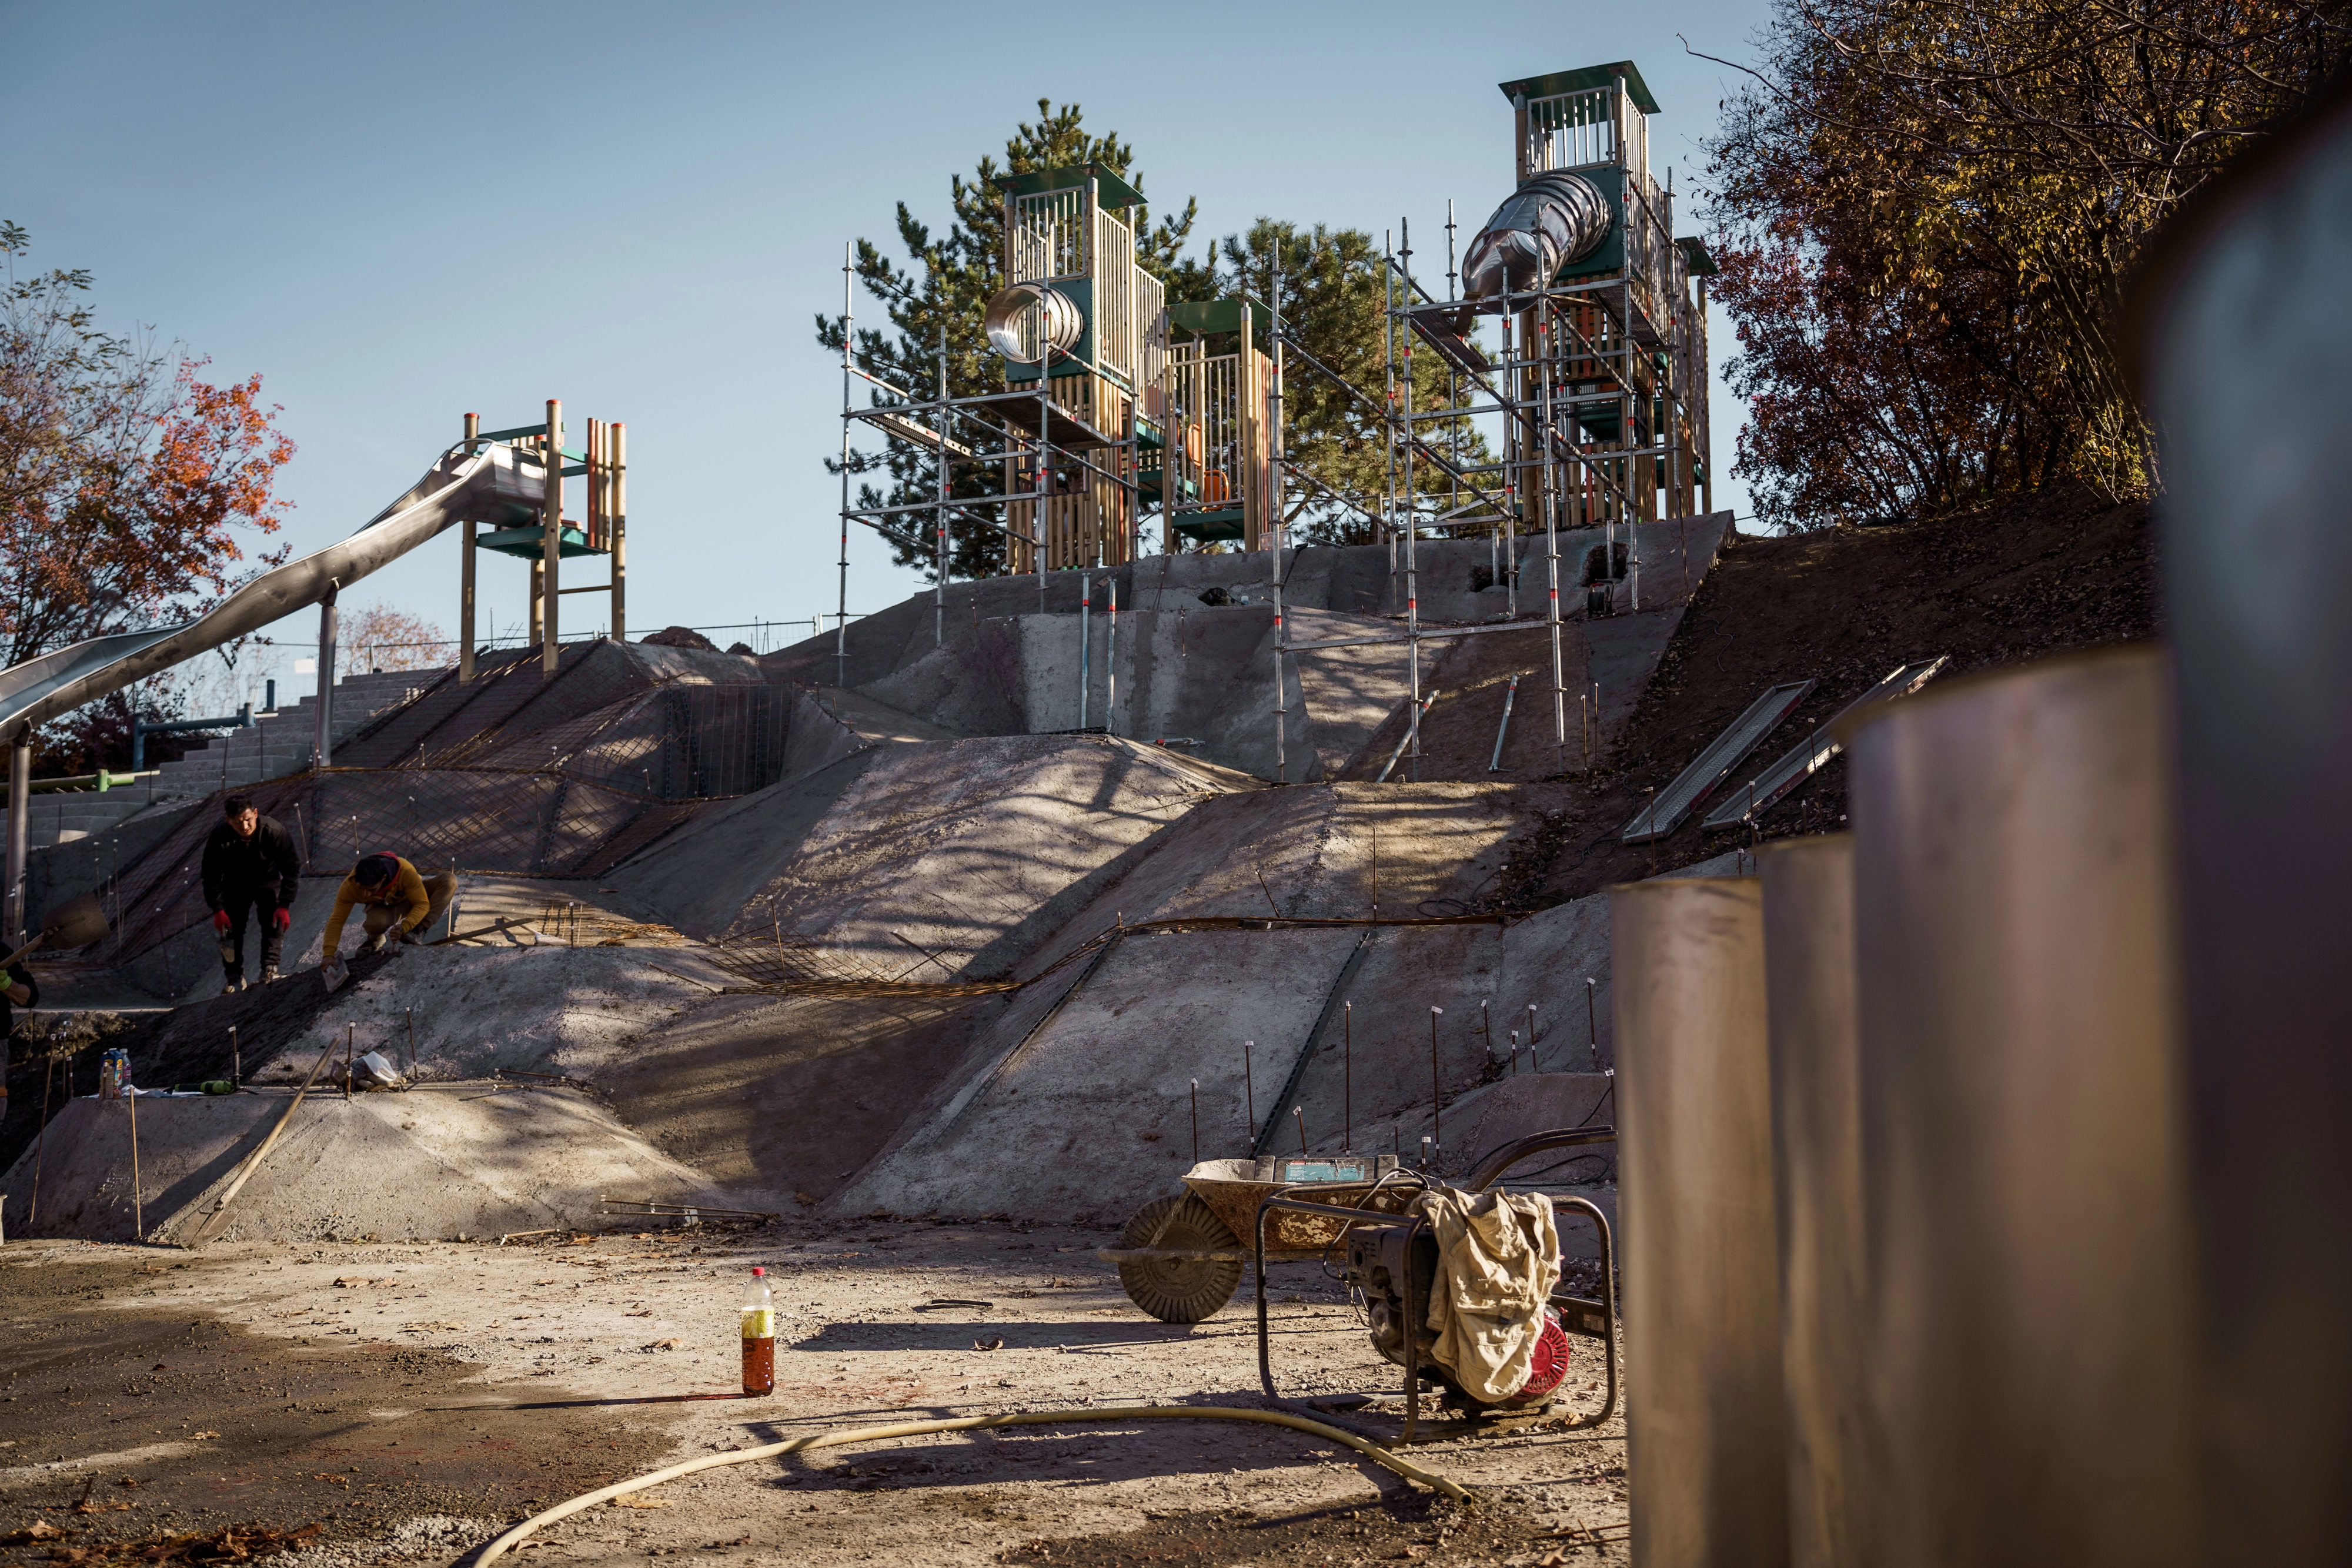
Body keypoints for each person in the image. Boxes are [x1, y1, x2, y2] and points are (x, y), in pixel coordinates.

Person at [200, 793, 302, 995]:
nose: (245, 826)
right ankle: (234, 978)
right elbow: (209, 874)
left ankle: (269, 970)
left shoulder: (274, 831)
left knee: (272, 923)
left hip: (268, 880)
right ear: (228, 821)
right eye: (238, 823)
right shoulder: (219, 836)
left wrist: (284, 905)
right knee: (229, 932)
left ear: (255, 813)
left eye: (248, 820)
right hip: (234, 883)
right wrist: (217, 909)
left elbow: (292, 868)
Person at [321, 851, 457, 960]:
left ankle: (418, 930)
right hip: (387, 907)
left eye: (372, 889)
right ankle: (375, 940)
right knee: (374, 924)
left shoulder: (405, 870)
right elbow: (337, 921)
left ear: (383, 878)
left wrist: (406, 927)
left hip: (413, 897)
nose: (366, 895)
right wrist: (328, 954)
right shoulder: (349, 887)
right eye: (362, 889)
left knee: (449, 880)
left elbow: (422, 903)